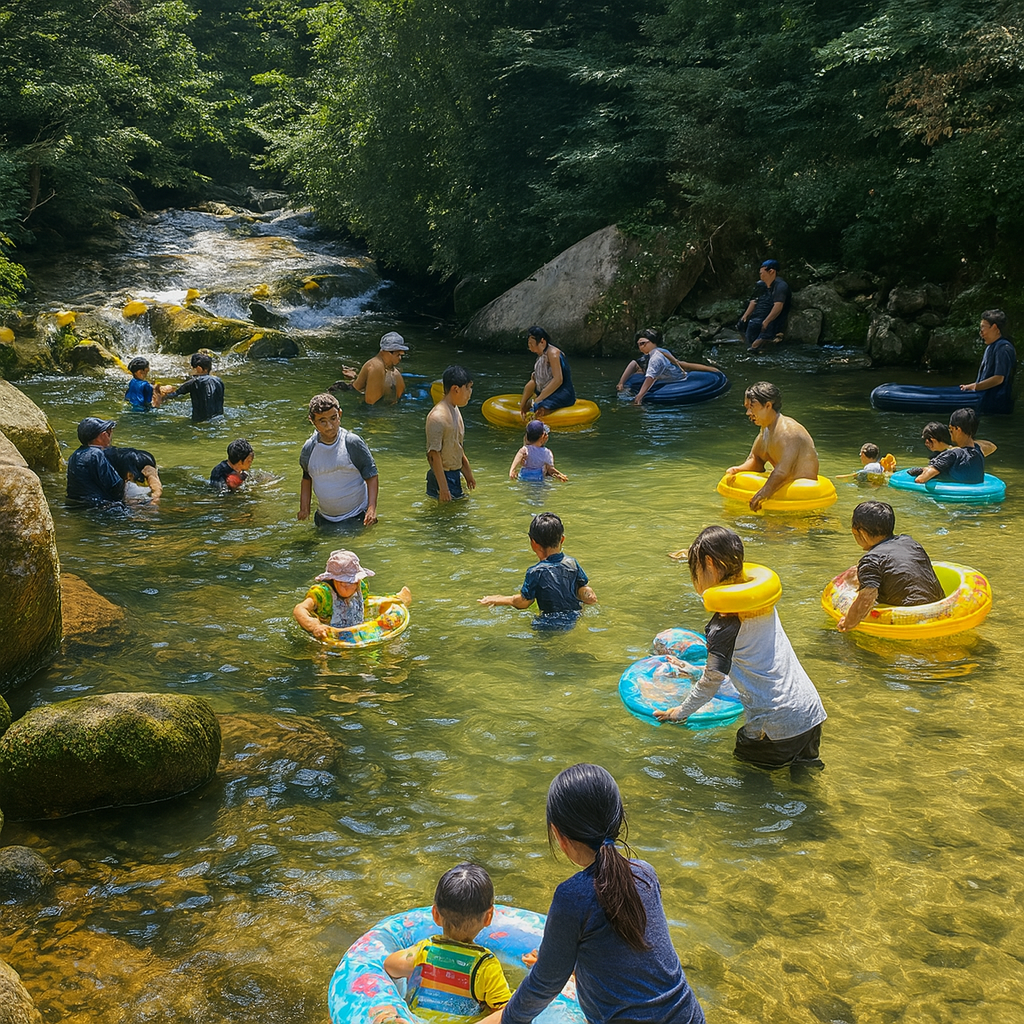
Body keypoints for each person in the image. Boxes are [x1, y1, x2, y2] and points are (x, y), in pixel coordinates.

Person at [478, 763, 705, 1024]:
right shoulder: (646, 874)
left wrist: (507, 1019)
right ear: (618, 819)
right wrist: (570, 963)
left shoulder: (571, 897)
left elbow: (544, 984)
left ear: (559, 837)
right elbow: (626, 953)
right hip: (689, 1016)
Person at [654, 526, 826, 769]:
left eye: (695, 569)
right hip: (810, 712)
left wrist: (680, 712)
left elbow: (712, 681)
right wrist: (693, 670)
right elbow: (753, 662)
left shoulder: (724, 625)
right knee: (803, 779)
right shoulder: (760, 603)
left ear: (710, 564)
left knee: (748, 776)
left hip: (776, 726)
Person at [382, 863, 511, 1023]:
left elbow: (389, 966)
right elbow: (507, 1012)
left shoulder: (424, 952)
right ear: (488, 916)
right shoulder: (486, 967)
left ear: (435, 914)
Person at [835, 501, 944, 632]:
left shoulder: (870, 559)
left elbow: (867, 597)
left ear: (861, 533)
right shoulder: (910, 542)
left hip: (912, 620)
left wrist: (848, 623)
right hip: (940, 609)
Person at [478, 512, 596, 626]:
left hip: (548, 623)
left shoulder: (535, 572)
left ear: (533, 542)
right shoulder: (572, 563)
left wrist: (497, 600)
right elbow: (582, 586)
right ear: (562, 539)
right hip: (575, 618)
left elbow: (523, 602)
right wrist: (587, 593)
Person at [725, 381, 820, 511]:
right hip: (782, 501)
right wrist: (737, 470)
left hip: (801, 501)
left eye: (751, 407)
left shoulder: (789, 432)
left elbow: (783, 472)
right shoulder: (766, 431)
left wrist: (762, 494)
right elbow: (756, 459)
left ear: (768, 405)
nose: (748, 412)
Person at [299, 393, 379, 527]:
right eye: (322, 421)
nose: (329, 426)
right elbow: (307, 478)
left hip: (357, 515)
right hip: (323, 518)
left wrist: (371, 509)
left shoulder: (351, 443)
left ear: (340, 414)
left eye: (333, 418)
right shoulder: (309, 448)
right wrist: (304, 508)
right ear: (312, 421)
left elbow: (371, 475)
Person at [293, 549, 411, 639]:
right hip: (331, 633)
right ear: (335, 580)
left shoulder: (360, 585)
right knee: (321, 656)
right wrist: (314, 626)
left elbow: (365, 605)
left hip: (355, 628)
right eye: (347, 583)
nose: (355, 586)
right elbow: (299, 609)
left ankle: (398, 599)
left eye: (356, 581)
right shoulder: (322, 594)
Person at [627, 328, 721, 405]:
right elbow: (683, 364)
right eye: (639, 344)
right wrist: (710, 368)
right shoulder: (661, 351)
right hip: (677, 377)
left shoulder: (655, 358)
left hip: (676, 381)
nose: (640, 347)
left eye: (643, 343)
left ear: (653, 342)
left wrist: (639, 397)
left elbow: (650, 378)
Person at [426, 364, 476, 502]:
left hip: (454, 474)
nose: (470, 392)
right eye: (468, 387)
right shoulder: (437, 417)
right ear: (456, 389)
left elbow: (457, 446)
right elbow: (433, 455)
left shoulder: (454, 409)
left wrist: (468, 473)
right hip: (442, 477)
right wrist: (444, 489)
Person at [959, 309, 1016, 414]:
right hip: (987, 403)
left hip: (998, 407)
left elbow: (998, 378)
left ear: (994, 328)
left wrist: (974, 387)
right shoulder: (991, 347)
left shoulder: (1003, 348)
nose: (981, 332)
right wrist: (970, 386)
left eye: (983, 328)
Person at [913, 407, 984, 484]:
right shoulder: (979, 451)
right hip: (975, 494)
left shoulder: (952, 454)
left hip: (951, 494)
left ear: (958, 429)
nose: (950, 434)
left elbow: (920, 480)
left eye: (951, 430)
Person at [66, 418, 126, 506]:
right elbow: (116, 487)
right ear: (102, 435)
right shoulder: (96, 454)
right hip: (97, 506)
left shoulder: (75, 454)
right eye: (108, 432)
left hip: (76, 504)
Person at [519, 327, 575, 420]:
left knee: (539, 410)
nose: (530, 346)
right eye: (529, 344)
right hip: (546, 393)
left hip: (562, 393)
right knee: (527, 406)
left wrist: (538, 400)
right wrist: (522, 405)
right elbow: (533, 381)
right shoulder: (540, 357)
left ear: (542, 341)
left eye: (532, 344)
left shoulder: (553, 354)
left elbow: (558, 380)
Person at [736, 260, 791, 352]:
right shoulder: (762, 285)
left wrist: (767, 321)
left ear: (771, 272)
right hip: (758, 318)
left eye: (762, 273)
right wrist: (745, 316)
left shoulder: (781, 286)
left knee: (754, 347)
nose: (760, 275)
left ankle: (769, 342)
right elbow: (754, 301)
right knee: (745, 334)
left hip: (773, 320)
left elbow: (778, 306)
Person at [345, 332, 409, 405]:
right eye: (397, 355)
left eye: (401, 355)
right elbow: (371, 402)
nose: (400, 358)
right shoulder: (376, 367)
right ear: (384, 352)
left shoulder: (395, 373)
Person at [157, 353, 224, 421]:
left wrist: (161, 395)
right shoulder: (219, 381)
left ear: (199, 369)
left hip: (200, 421)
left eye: (192, 368)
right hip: (219, 418)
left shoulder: (193, 383)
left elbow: (176, 394)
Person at [920, 421, 996, 458]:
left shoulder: (957, 452)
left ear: (931, 440)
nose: (926, 443)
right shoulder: (965, 451)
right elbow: (992, 446)